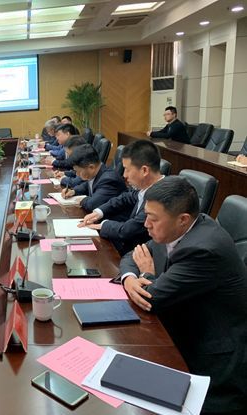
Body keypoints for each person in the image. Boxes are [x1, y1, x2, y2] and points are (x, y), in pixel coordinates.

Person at [119, 176, 247, 414]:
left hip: (211, 359)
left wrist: (146, 273)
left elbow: (152, 298)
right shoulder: (176, 229)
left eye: (153, 218)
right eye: (146, 215)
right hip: (183, 322)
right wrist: (129, 278)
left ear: (183, 219)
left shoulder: (203, 249)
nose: (146, 224)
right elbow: (132, 255)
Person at [79, 139, 164, 255]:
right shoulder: (146, 187)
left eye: (127, 169)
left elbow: (128, 230)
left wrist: (102, 225)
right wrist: (99, 212)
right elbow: (125, 197)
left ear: (144, 170)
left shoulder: (160, 198)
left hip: (139, 255)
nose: (124, 175)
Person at [61, 144, 127, 212]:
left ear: (91, 167)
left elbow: (92, 205)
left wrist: (81, 200)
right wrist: (74, 191)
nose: (77, 174)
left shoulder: (109, 180)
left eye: (78, 171)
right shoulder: (96, 173)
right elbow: (87, 185)